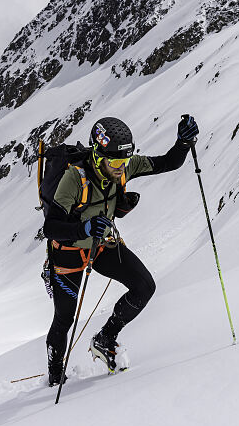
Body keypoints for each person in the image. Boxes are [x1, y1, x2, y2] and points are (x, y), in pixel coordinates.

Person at [41, 114, 199, 385]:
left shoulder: (122, 165)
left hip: (101, 246)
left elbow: (167, 163)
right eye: (115, 162)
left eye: (125, 161)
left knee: (144, 287)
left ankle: (105, 338)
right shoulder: (74, 178)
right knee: (65, 318)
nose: (121, 168)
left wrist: (183, 143)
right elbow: (51, 227)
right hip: (67, 252)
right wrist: (84, 229)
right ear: (97, 154)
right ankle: (55, 378)